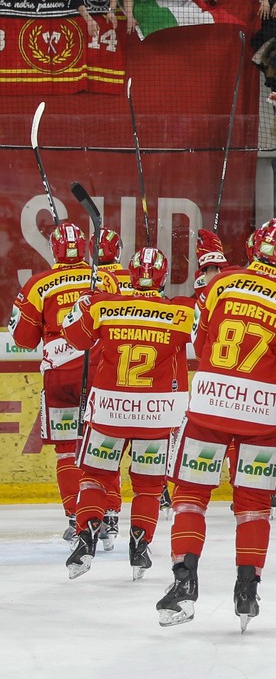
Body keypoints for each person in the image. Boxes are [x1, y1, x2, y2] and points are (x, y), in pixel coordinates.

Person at [158, 218, 276, 629]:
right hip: (265, 417)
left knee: (190, 497)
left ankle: (184, 580)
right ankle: (247, 588)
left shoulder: (221, 283)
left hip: (211, 404)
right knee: (252, 506)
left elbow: (202, 343)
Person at [58, 248, 193, 581]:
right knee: (148, 487)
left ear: (131, 274)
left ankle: (86, 535)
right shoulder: (181, 311)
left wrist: (83, 303)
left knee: (95, 476)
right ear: (162, 277)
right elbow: (208, 339)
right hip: (156, 414)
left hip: (109, 411)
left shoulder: (105, 305)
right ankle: (139, 545)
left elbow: (72, 335)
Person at [8, 224, 118, 543]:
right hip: (99, 372)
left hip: (59, 378)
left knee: (67, 451)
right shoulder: (104, 278)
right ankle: (108, 516)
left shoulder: (38, 284)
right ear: (84, 247)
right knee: (102, 445)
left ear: (54, 250)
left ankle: (76, 519)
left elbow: (23, 339)